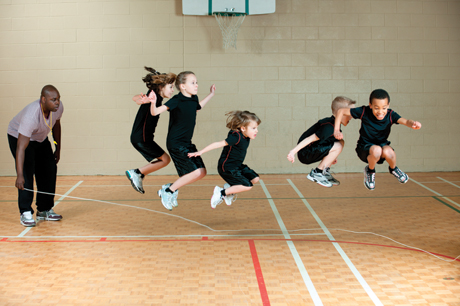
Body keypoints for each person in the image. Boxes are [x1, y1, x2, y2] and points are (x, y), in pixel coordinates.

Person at [149, 71, 215, 210]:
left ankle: (170, 188)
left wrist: (211, 95)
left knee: (202, 172)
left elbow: (196, 108)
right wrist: (153, 102)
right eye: (193, 83)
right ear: (183, 86)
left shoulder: (193, 98)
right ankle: (168, 191)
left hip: (187, 143)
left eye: (196, 82)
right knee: (196, 172)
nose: (196, 85)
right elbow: (155, 112)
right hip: (176, 143)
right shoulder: (176, 100)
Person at [334, 89, 422, 190]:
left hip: (381, 147)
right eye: (376, 108)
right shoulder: (364, 111)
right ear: (370, 105)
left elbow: (406, 121)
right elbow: (341, 111)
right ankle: (370, 171)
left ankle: (393, 169)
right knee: (376, 150)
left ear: (388, 105)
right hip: (365, 149)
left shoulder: (390, 115)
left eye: (384, 108)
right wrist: (337, 130)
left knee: (389, 152)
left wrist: (413, 124)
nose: (380, 112)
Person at [7, 85, 64, 227]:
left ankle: (44, 209)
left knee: (49, 169)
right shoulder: (31, 116)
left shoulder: (57, 108)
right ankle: (25, 212)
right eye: (53, 99)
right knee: (27, 172)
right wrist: (19, 175)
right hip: (19, 137)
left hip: (39, 138)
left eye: (58, 99)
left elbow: (56, 125)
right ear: (43, 100)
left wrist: (57, 148)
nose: (57, 102)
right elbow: (21, 147)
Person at [188, 111, 261, 209]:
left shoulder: (246, 135)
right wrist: (200, 152)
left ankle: (229, 188)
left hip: (237, 166)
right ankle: (221, 193)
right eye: (253, 128)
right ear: (243, 128)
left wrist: (251, 130)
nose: (257, 131)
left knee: (255, 179)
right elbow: (218, 144)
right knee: (247, 186)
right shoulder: (236, 137)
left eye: (256, 128)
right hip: (227, 167)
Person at [125, 67, 176, 194]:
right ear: (161, 87)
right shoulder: (155, 98)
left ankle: (139, 174)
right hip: (142, 138)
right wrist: (144, 100)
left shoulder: (153, 96)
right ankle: (137, 172)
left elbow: (134, 98)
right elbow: (138, 100)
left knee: (165, 159)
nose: (173, 90)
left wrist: (141, 99)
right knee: (165, 160)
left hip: (140, 137)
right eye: (171, 87)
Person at [287, 96, 356, 187]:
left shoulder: (335, 126)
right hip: (305, 152)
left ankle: (324, 171)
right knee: (338, 145)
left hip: (312, 149)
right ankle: (317, 173)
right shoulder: (329, 127)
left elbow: (327, 142)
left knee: (340, 142)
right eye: (350, 113)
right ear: (341, 113)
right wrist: (292, 152)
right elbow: (309, 139)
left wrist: (331, 158)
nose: (352, 116)